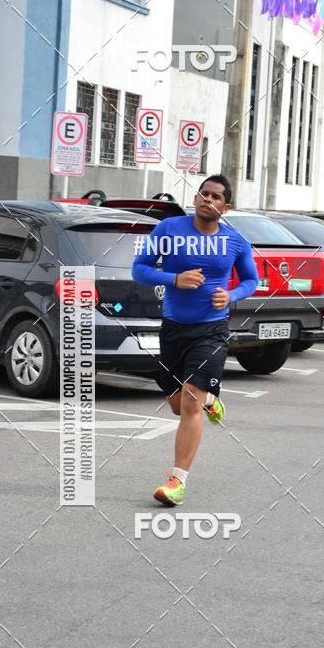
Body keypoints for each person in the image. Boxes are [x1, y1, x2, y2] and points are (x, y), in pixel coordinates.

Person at [132, 174, 258, 506]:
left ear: (225, 207)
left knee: (189, 403)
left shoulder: (236, 240)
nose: (208, 200)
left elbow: (251, 280)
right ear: (195, 198)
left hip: (212, 330)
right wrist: (174, 278)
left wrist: (230, 295)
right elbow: (139, 269)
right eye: (204, 194)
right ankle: (211, 400)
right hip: (174, 329)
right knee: (178, 405)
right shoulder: (169, 230)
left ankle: (177, 481)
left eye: (216, 197)